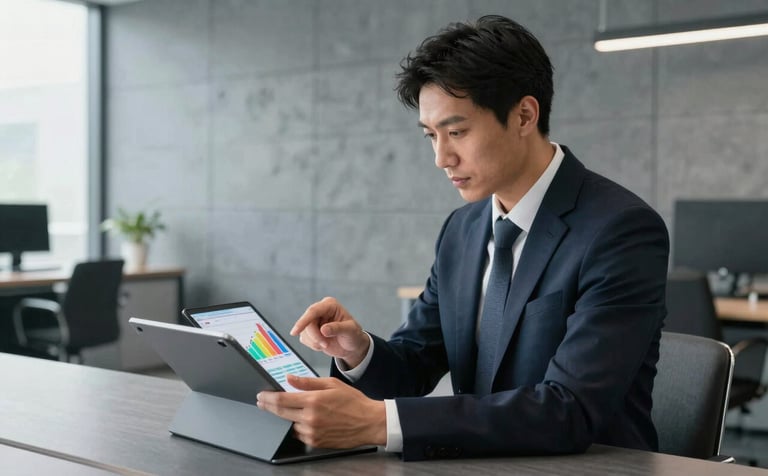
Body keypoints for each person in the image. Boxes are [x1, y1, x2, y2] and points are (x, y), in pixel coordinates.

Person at [256, 15, 669, 461]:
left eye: (456, 132)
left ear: (524, 115)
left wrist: (378, 421)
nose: (441, 157)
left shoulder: (620, 230)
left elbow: (569, 410)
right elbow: (415, 366)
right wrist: (360, 352)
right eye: (431, 136)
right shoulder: (462, 229)